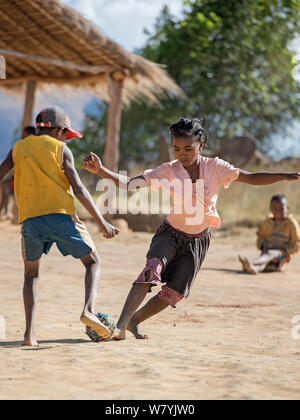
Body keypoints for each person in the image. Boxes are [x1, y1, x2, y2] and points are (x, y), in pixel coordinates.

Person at [82, 117, 300, 341]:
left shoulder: (215, 167)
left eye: (188, 148)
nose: (181, 154)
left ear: (201, 145)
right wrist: (101, 171)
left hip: (198, 242)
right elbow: (130, 184)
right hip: (170, 234)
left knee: (174, 293)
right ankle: (120, 325)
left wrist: (282, 176)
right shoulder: (169, 170)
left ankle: (135, 321)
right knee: (150, 271)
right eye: (176, 148)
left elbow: (250, 177)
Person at [0, 106, 119, 347]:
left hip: (30, 220)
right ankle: (88, 310)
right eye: (66, 134)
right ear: (61, 131)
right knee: (93, 262)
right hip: (61, 217)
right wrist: (102, 221)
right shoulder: (61, 148)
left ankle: (29, 336)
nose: (67, 139)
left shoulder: (18, 148)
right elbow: (79, 189)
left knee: (31, 275)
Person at [239, 195, 300, 274]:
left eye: (281, 208)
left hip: (281, 257)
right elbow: (260, 238)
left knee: (272, 253)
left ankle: (253, 263)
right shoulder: (267, 223)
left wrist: (281, 248)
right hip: (266, 252)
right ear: (270, 208)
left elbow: (297, 244)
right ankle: (253, 268)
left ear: (287, 208)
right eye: (275, 208)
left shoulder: (291, 223)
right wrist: (263, 245)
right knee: (266, 258)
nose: (278, 211)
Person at [0, 126, 36, 219]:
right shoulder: (38, 146)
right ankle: (5, 211)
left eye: (24, 134)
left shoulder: (21, 146)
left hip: (25, 180)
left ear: (27, 134)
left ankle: (4, 211)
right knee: (5, 184)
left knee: (5, 185)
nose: (22, 136)